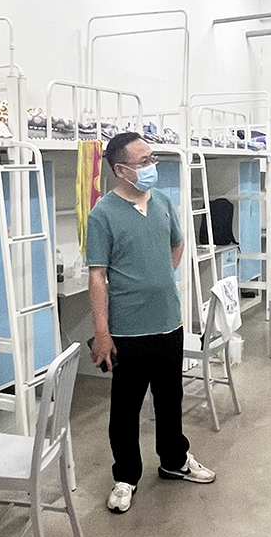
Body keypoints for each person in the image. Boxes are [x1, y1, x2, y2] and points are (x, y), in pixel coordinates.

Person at [86, 131, 216, 514]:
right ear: (121, 170)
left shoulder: (161, 202)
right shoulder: (103, 214)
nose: (151, 167)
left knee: (170, 397)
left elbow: (177, 243)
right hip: (128, 329)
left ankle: (174, 460)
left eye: (152, 159)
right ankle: (126, 476)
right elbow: (97, 275)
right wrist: (101, 332)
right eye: (143, 162)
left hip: (168, 322)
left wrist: (159, 276)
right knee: (126, 409)